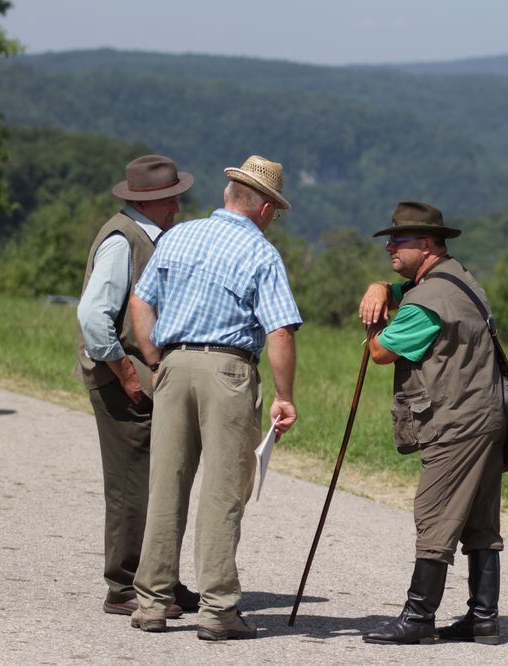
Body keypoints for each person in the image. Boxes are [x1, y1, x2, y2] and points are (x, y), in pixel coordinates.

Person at [128, 155, 302, 641]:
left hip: (174, 363)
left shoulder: (178, 236)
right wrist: (284, 396)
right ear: (265, 209)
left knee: (167, 484)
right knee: (223, 491)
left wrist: (156, 358)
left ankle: (152, 601)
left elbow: (141, 299)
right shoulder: (261, 253)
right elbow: (280, 331)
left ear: (229, 195)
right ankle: (217, 609)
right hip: (228, 369)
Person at [357, 201, 508, 645]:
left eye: (397, 241)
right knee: (480, 521)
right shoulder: (457, 279)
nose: (389, 247)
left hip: (456, 421)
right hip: (486, 415)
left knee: (435, 514)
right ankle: (484, 619)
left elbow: (382, 352)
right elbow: (403, 292)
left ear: (425, 244)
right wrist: (381, 285)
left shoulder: (428, 300)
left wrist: (371, 322)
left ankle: (418, 618)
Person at [76, 154, 200, 618]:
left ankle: (156, 578)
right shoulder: (123, 240)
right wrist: (126, 373)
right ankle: (125, 586)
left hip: (137, 378)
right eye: (169, 200)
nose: (177, 207)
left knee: (156, 480)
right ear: (148, 201)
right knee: (133, 485)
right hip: (124, 381)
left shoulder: (142, 235)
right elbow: (92, 317)